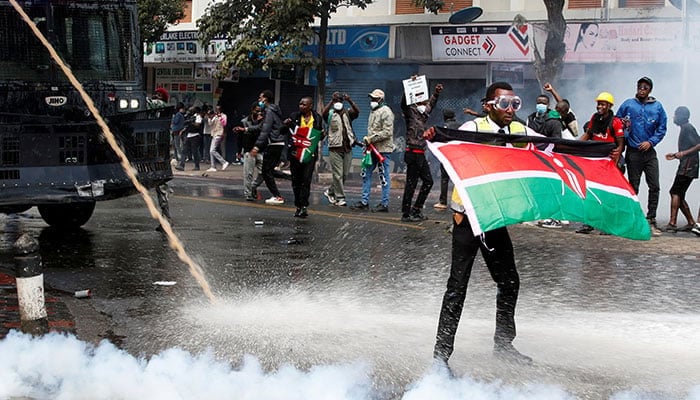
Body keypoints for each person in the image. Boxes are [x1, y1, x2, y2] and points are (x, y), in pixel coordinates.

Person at [426, 81, 535, 368]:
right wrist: (434, 135)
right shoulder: (472, 130)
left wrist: (601, 151)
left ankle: (503, 344)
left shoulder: (518, 132)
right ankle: (441, 355)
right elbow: (446, 142)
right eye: (503, 104)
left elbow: (556, 146)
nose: (510, 109)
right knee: (457, 286)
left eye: (515, 104)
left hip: (494, 218)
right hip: (467, 217)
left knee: (509, 281)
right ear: (488, 106)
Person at [616, 76, 667, 236]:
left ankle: (651, 219)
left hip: (649, 152)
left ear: (650, 90)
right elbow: (616, 121)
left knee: (655, 186)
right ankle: (632, 218)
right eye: (640, 86)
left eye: (645, 87)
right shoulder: (628, 104)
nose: (642, 89)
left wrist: (651, 142)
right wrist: (623, 129)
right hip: (633, 152)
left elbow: (662, 127)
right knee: (633, 187)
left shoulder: (657, 107)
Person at [576, 92, 626, 234]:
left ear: (609, 106)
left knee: (607, 194)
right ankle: (589, 223)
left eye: (603, 104)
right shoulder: (594, 118)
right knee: (591, 192)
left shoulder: (615, 122)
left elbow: (621, 143)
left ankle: (608, 224)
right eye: (599, 103)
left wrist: (616, 158)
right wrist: (572, 146)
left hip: (609, 161)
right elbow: (588, 134)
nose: (600, 106)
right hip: (595, 160)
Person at [400, 80, 442, 222]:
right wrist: (408, 89)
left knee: (428, 181)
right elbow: (404, 103)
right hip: (412, 152)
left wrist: (436, 93)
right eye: (422, 102)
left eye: (425, 102)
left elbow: (432, 105)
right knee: (411, 184)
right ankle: (406, 213)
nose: (425, 105)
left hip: (420, 154)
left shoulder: (423, 116)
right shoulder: (410, 113)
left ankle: (416, 209)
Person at [351, 89, 394, 213]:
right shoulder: (373, 111)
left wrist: (371, 138)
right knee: (365, 174)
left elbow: (387, 132)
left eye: (375, 99)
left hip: (382, 150)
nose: (372, 101)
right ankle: (364, 201)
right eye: (371, 98)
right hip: (371, 149)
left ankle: (384, 204)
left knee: (383, 177)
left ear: (381, 100)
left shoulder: (386, 112)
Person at [662, 106, 700, 233]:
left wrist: (682, 154)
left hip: (688, 166)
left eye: (676, 114)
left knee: (675, 192)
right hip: (686, 164)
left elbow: (698, 145)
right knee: (680, 193)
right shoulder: (685, 128)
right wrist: (675, 155)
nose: (674, 117)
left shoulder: (688, 128)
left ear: (682, 116)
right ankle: (691, 222)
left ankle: (672, 223)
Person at [284, 96, 323, 218]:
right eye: (300, 104)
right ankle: (298, 205)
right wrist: (286, 125)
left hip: (309, 154)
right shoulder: (294, 116)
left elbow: (318, 136)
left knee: (306, 180)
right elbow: (282, 131)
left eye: (304, 104)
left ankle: (304, 206)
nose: (301, 106)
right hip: (295, 153)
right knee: (296, 181)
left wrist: (323, 135)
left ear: (310, 106)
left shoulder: (317, 118)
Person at [322, 91, 360, 207]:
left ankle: (330, 191)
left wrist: (350, 100)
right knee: (338, 174)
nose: (338, 102)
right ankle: (340, 198)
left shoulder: (347, 113)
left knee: (344, 174)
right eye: (336, 101)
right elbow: (323, 113)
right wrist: (331, 101)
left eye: (340, 100)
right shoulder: (330, 114)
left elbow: (357, 112)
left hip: (347, 148)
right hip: (335, 149)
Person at [250, 90, 287, 205]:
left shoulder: (269, 111)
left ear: (265, 99)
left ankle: (277, 196)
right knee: (269, 170)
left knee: (266, 171)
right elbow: (261, 126)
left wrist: (256, 146)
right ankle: (291, 176)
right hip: (278, 143)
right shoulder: (273, 111)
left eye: (260, 98)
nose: (259, 100)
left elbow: (265, 130)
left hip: (274, 143)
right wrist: (246, 129)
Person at [235, 102, 264, 202]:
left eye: (260, 111)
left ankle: (253, 186)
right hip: (248, 150)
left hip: (260, 150)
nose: (259, 113)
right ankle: (248, 194)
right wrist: (239, 151)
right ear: (252, 110)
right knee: (248, 174)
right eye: (257, 111)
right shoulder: (244, 121)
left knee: (264, 172)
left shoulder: (263, 121)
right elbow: (239, 137)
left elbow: (261, 132)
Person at [434, 108, 461, 210]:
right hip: (459, 155)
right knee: (458, 179)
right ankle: (460, 201)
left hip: (448, 155)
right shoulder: (461, 125)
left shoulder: (445, 127)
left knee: (445, 179)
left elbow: (442, 140)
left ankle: (443, 201)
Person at [175, 106, 203, 171]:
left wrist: (192, 122)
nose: (190, 111)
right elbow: (187, 125)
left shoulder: (198, 116)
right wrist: (183, 130)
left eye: (191, 110)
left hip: (195, 136)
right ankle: (181, 165)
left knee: (194, 151)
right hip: (189, 135)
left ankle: (197, 166)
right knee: (184, 151)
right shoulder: (189, 116)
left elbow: (198, 125)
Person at [206, 105, 229, 172]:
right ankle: (213, 166)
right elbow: (210, 124)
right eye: (216, 109)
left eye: (218, 109)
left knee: (212, 150)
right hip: (213, 134)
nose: (217, 110)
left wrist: (220, 117)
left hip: (219, 134)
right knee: (211, 151)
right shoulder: (214, 116)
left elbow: (224, 124)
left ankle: (224, 162)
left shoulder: (224, 116)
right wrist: (210, 117)